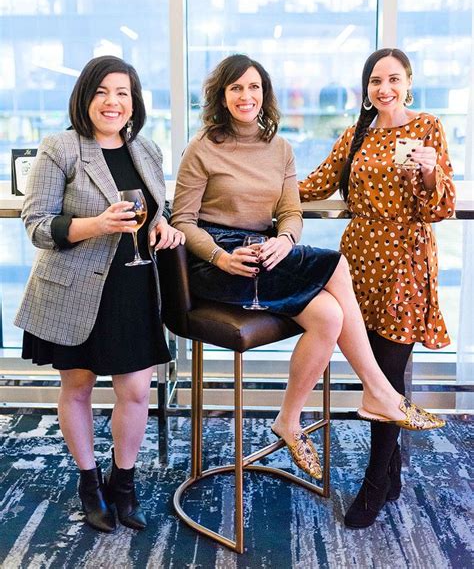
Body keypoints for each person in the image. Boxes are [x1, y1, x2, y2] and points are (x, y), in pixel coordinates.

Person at [171, 53, 444, 490]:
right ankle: (380, 392)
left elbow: (290, 210)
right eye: (236, 88)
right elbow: (182, 221)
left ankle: (289, 420)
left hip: (266, 254)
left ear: (266, 94)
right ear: (221, 96)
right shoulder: (202, 147)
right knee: (335, 262)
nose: (246, 96)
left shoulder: (280, 147)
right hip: (220, 262)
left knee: (330, 316)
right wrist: (221, 257)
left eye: (254, 87)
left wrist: (285, 238)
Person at [15, 56, 185, 533]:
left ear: (134, 102)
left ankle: (123, 484)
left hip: (133, 286)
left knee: (135, 390)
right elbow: (36, 225)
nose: (113, 102)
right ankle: (89, 483)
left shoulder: (146, 148)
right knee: (79, 388)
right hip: (73, 289)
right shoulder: (60, 147)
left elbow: (156, 207)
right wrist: (97, 225)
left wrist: (163, 225)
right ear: (86, 97)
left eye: (123, 93)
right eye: (103, 92)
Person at [299, 47, 455, 528]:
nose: (383, 89)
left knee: (384, 379)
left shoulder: (427, 128)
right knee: (373, 371)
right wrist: (254, 185)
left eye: (392, 79)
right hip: (360, 260)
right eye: (374, 82)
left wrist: (430, 171)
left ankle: (373, 486)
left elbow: (441, 207)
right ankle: (391, 474)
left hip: (405, 261)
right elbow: (315, 185)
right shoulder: (357, 134)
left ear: (408, 82)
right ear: (366, 89)